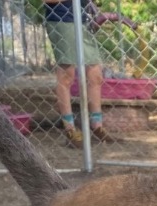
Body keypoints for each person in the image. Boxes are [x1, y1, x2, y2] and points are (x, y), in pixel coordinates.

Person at [43, 0, 117, 145]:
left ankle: (97, 125)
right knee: (67, 75)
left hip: (83, 21)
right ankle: (70, 128)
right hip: (62, 20)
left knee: (95, 75)